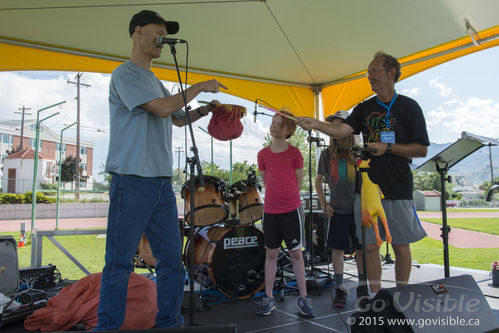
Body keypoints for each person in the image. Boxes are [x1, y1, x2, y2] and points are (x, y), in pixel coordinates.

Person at [96, 10, 227, 330]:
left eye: (165, 34)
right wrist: (199, 87)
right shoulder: (124, 74)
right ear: (137, 32)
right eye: (158, 32)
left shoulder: (155, 81)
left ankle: (169, 322)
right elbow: (161, 108)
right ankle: (108, 327)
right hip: (132, 181)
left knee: (172, 260)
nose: (162, 39)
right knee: (118, 263)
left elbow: (177, 118)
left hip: (160, 184)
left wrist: (206, 110)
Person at [298, 51, 429, 297]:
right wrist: (316, 123)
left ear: (391, 73)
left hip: (398, 187)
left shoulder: (409, 107)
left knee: (400, 246)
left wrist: (388, 148)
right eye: (368, 73)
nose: (370, 77)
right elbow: (341, 130)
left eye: (375, 71)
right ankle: (377, 298)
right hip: (366, 190)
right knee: (369, 247)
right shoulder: (364, 108)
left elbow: (421, 149)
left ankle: (401, 297)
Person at [256, 109, 315, 317]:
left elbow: (297, 183)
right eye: (273, 122)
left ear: (289, 130)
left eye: (279, 124)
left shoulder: (295, 153)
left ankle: (304, 297)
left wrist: (293, 204)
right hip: (271, 211)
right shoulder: (262, 154)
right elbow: (266, 181)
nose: (274, 126)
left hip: (291, 210)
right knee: (271, 253)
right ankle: (268, 297)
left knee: (296, 254)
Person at [314, 110, 365, 308]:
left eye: (339, 125)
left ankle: (363, 288)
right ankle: (340, 289)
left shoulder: (360, 152)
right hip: (337, 210)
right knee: (337, 250)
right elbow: (318, 182)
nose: (335, 130)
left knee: (361, 250)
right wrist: (323, 203)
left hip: (360, 210)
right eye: (332, 126)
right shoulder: (327, 154)